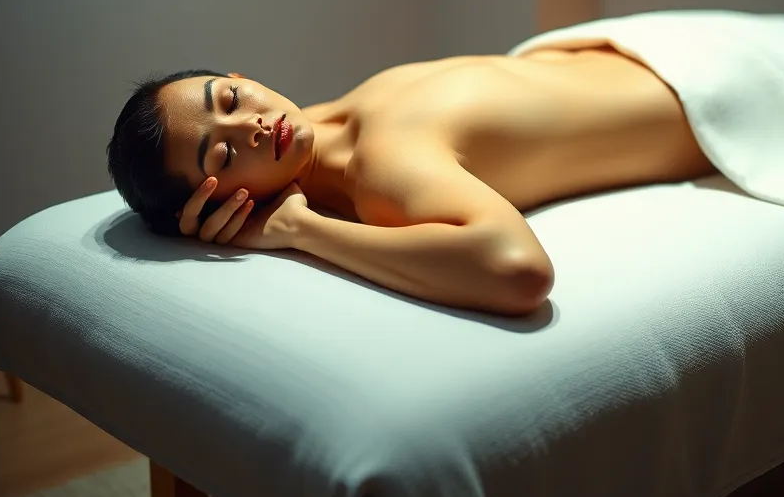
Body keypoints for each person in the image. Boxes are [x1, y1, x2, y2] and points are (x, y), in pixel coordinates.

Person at [107, 43, 714, 316]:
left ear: (239, 74)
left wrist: (289, 223)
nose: (255, 125)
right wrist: (299, 229)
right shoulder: (380, 165)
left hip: (656, 49)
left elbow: (518, 271)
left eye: (232, 96)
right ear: (222, 203)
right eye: (222, 156)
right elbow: (520, 270)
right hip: (703, 91)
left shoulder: (316, 126)